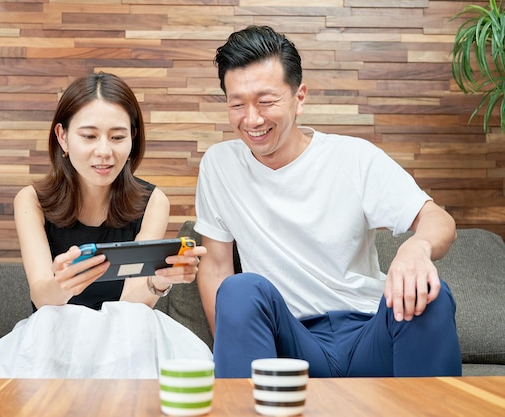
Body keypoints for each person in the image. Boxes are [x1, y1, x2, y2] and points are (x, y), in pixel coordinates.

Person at [194, 25, 462, 378]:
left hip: (369, 335)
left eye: (266, 101)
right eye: (237, 104)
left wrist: (417, 247)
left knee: (431, 294)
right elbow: (214, 268)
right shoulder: (220, 165)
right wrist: (231, 349)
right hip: (291, 344)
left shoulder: (354, 157)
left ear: (299, 98)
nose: (252, 119)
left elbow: (438, 219)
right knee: (240, 288)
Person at [0, 72, 211, 379]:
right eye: (89, 136)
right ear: (63, 137)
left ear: (133, 138)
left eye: (118, 136)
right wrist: (64, 282)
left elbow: (133, 303)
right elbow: (42, 297)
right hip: (54, 337)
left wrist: (159, 281)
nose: (104, 151)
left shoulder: (153, 200)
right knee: (49, 322)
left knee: (136, 323)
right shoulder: (31, 200)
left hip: (125, 338)